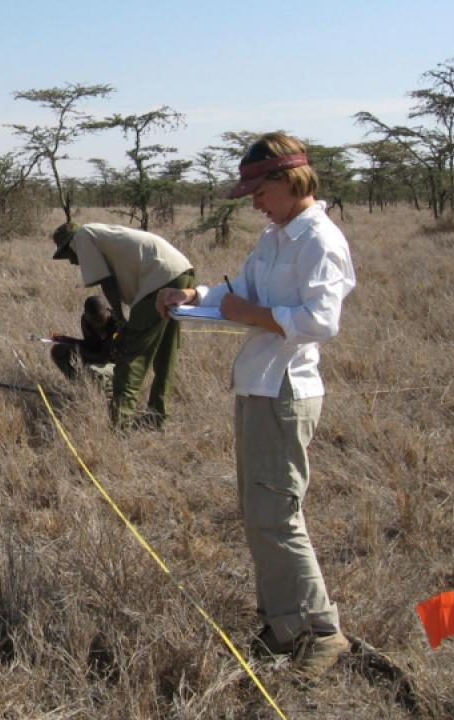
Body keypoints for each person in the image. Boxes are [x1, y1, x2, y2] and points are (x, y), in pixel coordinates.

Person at [155, 132, 356, 681]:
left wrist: (248, 314)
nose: (253, 202)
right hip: (256, 385)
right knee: (257, 513)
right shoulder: (276, 235)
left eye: (258, 190)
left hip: (287, 389)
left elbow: (321, 320)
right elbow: (239, 291)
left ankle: (321, 631)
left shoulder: (319, 239)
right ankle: (281, 623)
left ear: (287, 181)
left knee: (278, 514)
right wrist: (194, 297)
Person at [51, 222, 195, 429]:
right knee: (165, 354)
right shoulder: (100, 232)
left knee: (132, 357)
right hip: (182, 272)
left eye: (68, 255)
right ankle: (157, 416)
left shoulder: (82, 237)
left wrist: (120, 319)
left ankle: (121, 424)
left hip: (158, 280)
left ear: (70, 244)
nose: (72, 262)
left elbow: (106, 282)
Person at [49, 295, 120, 381]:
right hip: (98, 357)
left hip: (117, 364)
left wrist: (76, 350)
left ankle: (108, 388)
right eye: (94, 320)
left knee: (91, 370)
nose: (97, 324)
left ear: (106, 313)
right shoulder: (86, 321)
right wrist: (66, 339)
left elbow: (103, 358)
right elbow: (90, 345)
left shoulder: (117, 325)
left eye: (101, 319)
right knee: (58, 351)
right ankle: (77, 383)